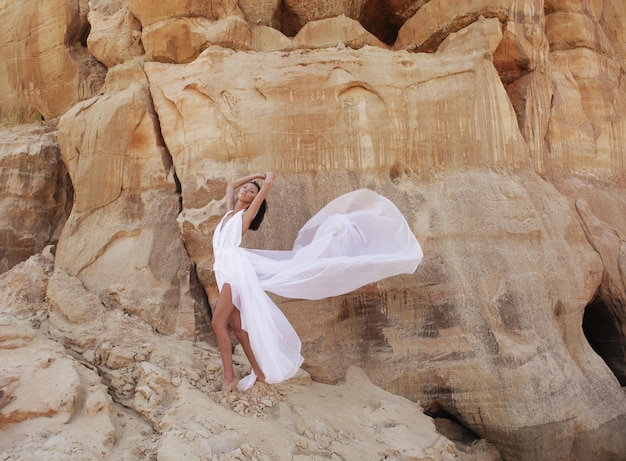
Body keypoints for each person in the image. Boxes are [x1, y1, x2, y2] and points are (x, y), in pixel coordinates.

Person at [212, 172, 423, 392]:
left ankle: (229, 377)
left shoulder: (244, 217)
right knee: (239, 329)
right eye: (245, 188)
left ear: (255, 201)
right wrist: (254, 175)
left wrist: (266, 182)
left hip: (234, 271)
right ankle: (262, 374)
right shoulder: (228, 213)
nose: (245, 190)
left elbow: (262, 193)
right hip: (223, 269)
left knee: (218, 323)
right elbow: (230, 184)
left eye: (251, 192)